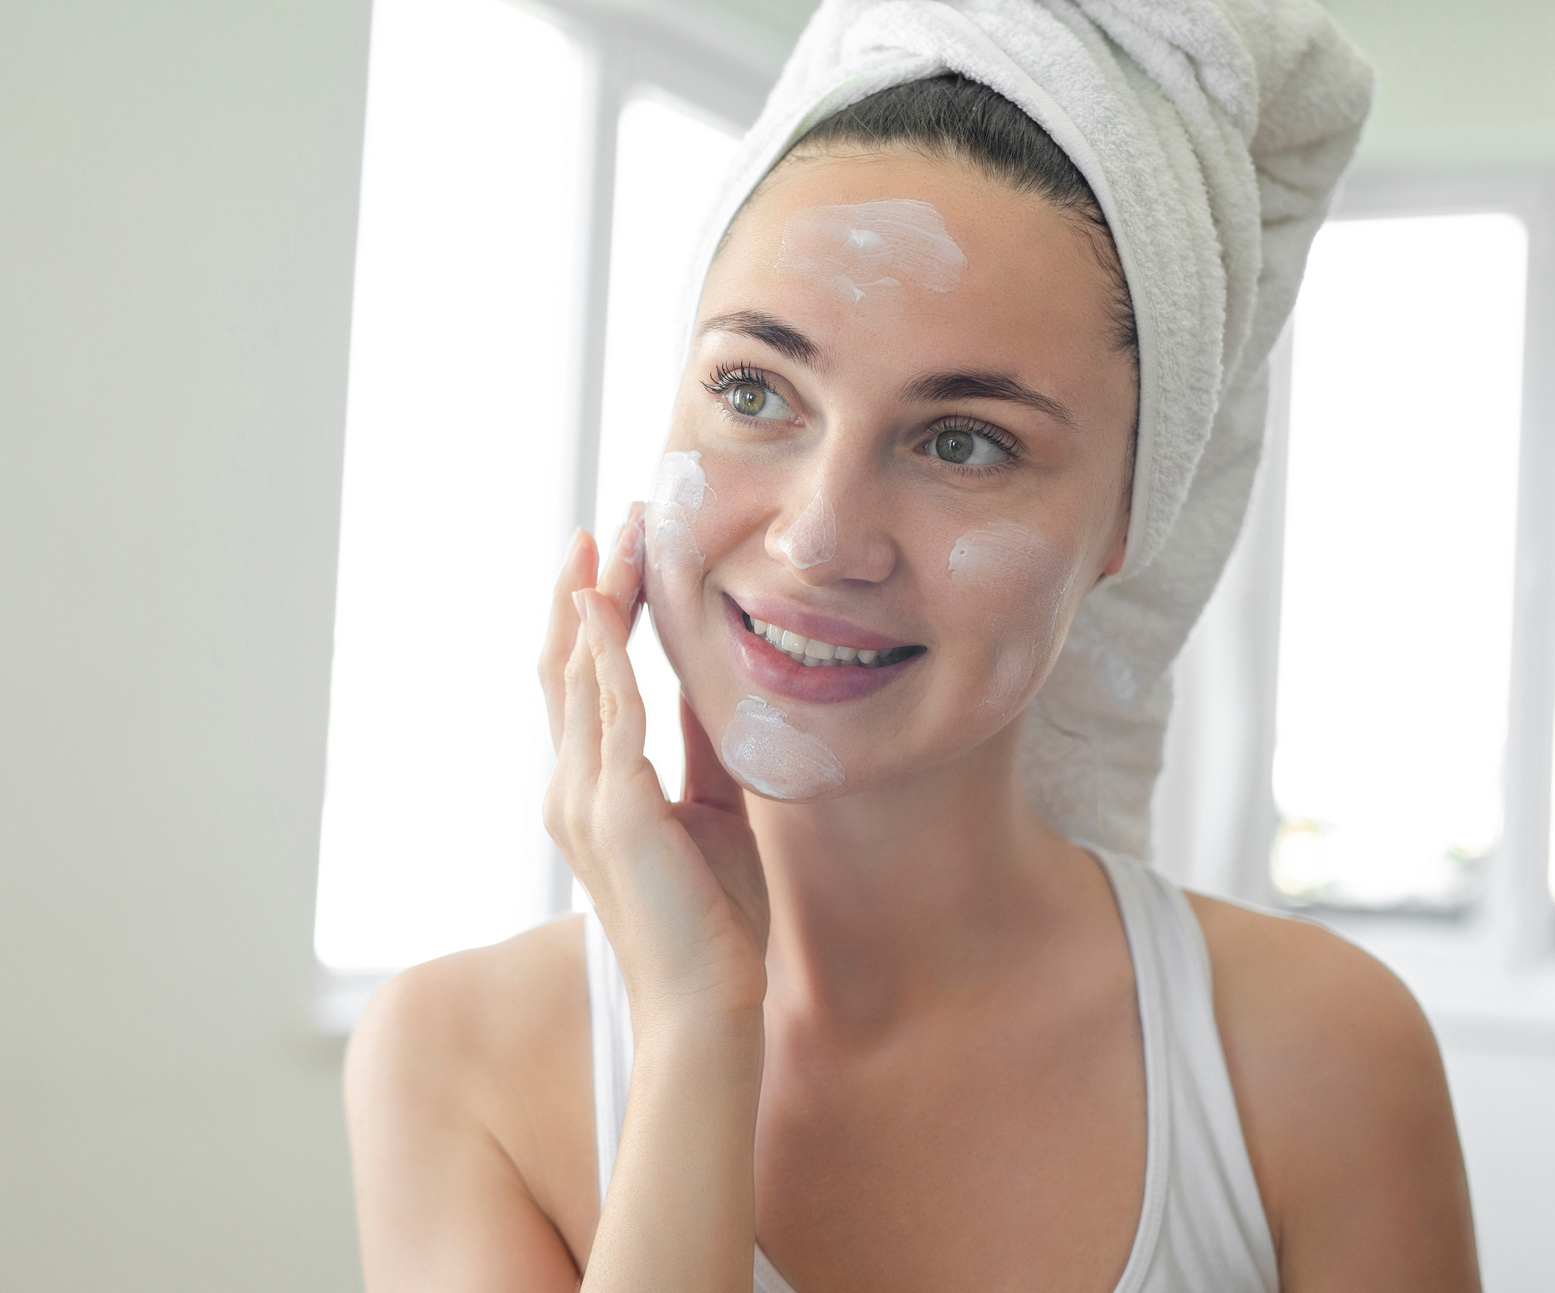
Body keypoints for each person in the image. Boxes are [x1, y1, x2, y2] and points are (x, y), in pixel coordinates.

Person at [348, 3, 1482, 1290]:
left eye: (964, 440)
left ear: (1126, 522)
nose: (821, 537)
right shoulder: (456, 1057)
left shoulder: (1310, 1052)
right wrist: (694, 1036)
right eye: (753, 390)